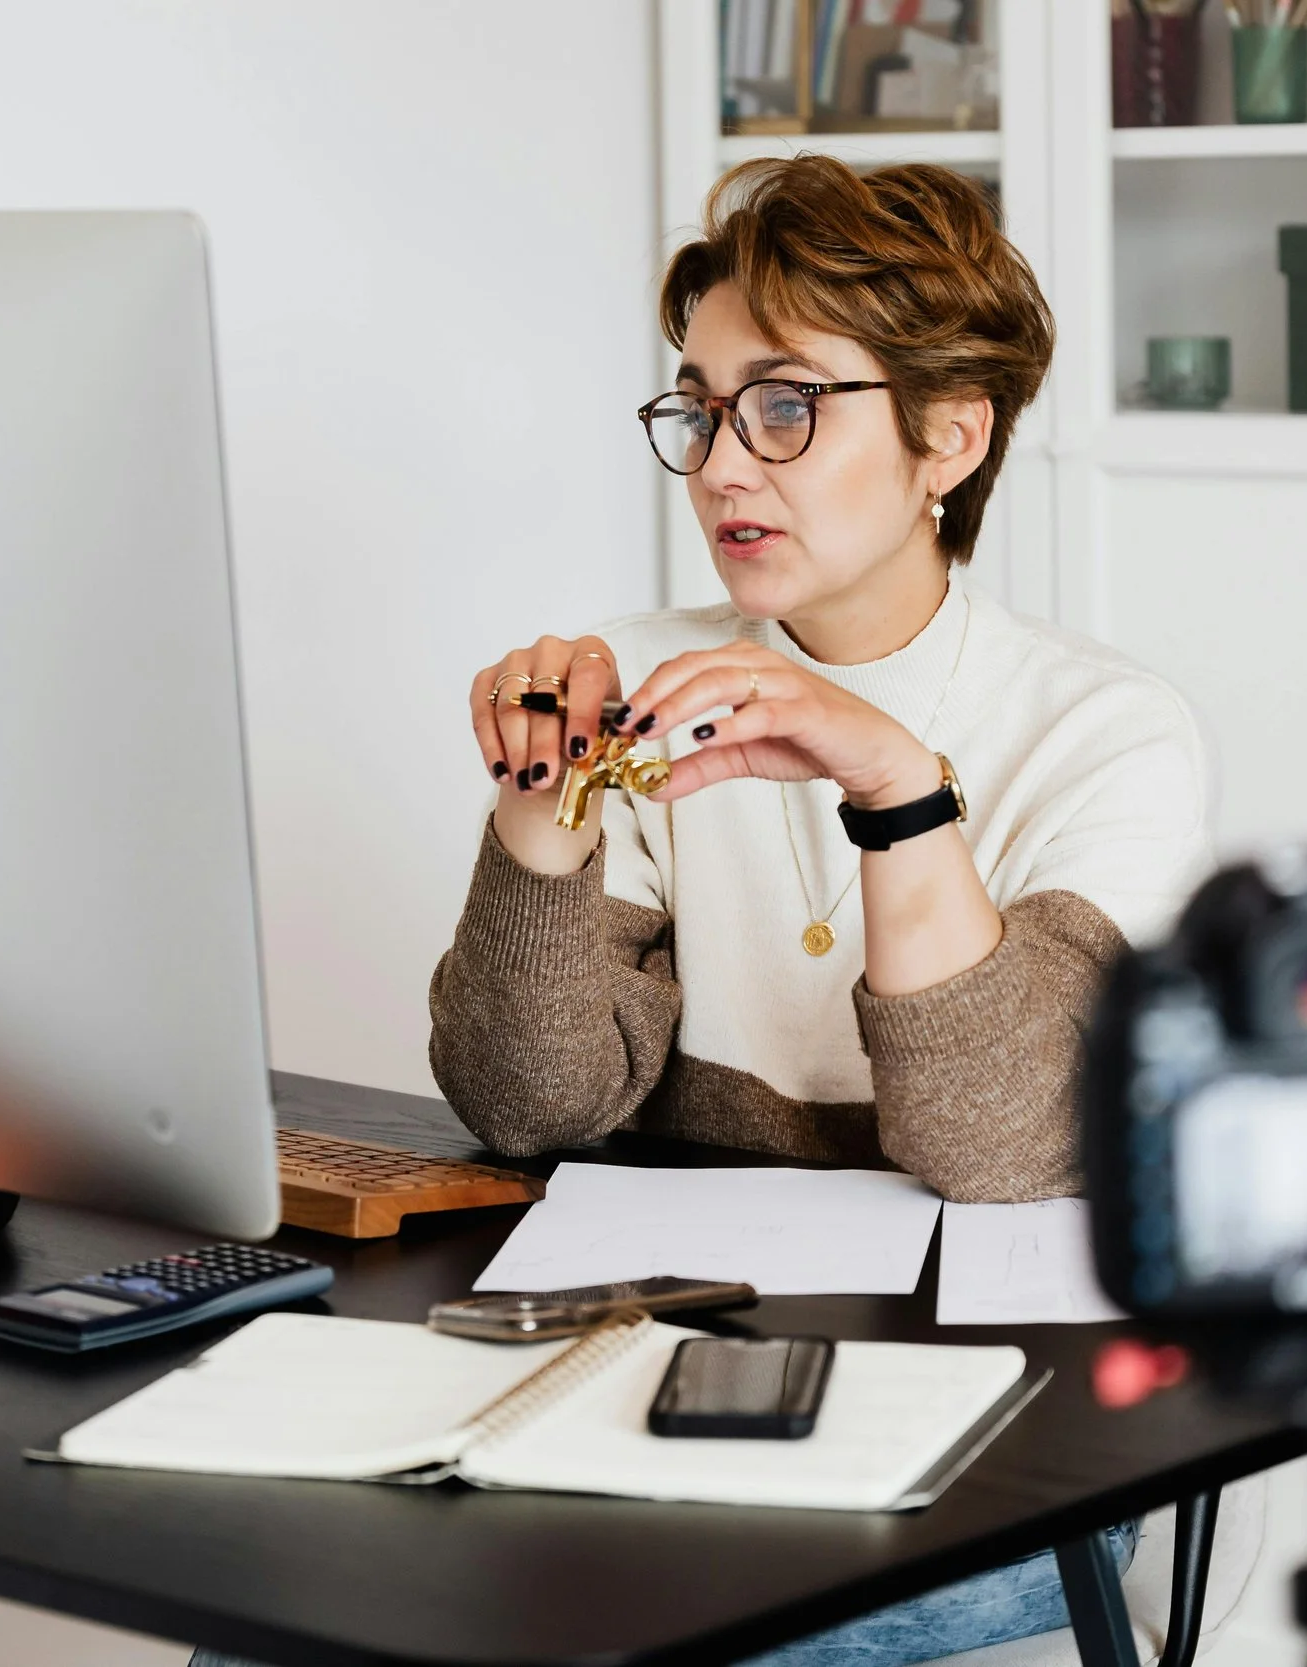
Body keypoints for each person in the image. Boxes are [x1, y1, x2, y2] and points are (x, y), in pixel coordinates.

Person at [427, 158, 1212, 1663]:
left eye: (786, 404)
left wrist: (894, 785)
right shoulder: (641, 684)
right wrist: (540, 811)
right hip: (669, 1386)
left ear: (949, 437)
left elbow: (1000, 1146)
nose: (726, 465)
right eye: (702, 407)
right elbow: (528, 1101)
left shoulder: (1108, 731)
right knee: (296, 1609)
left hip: (1012, 1437)